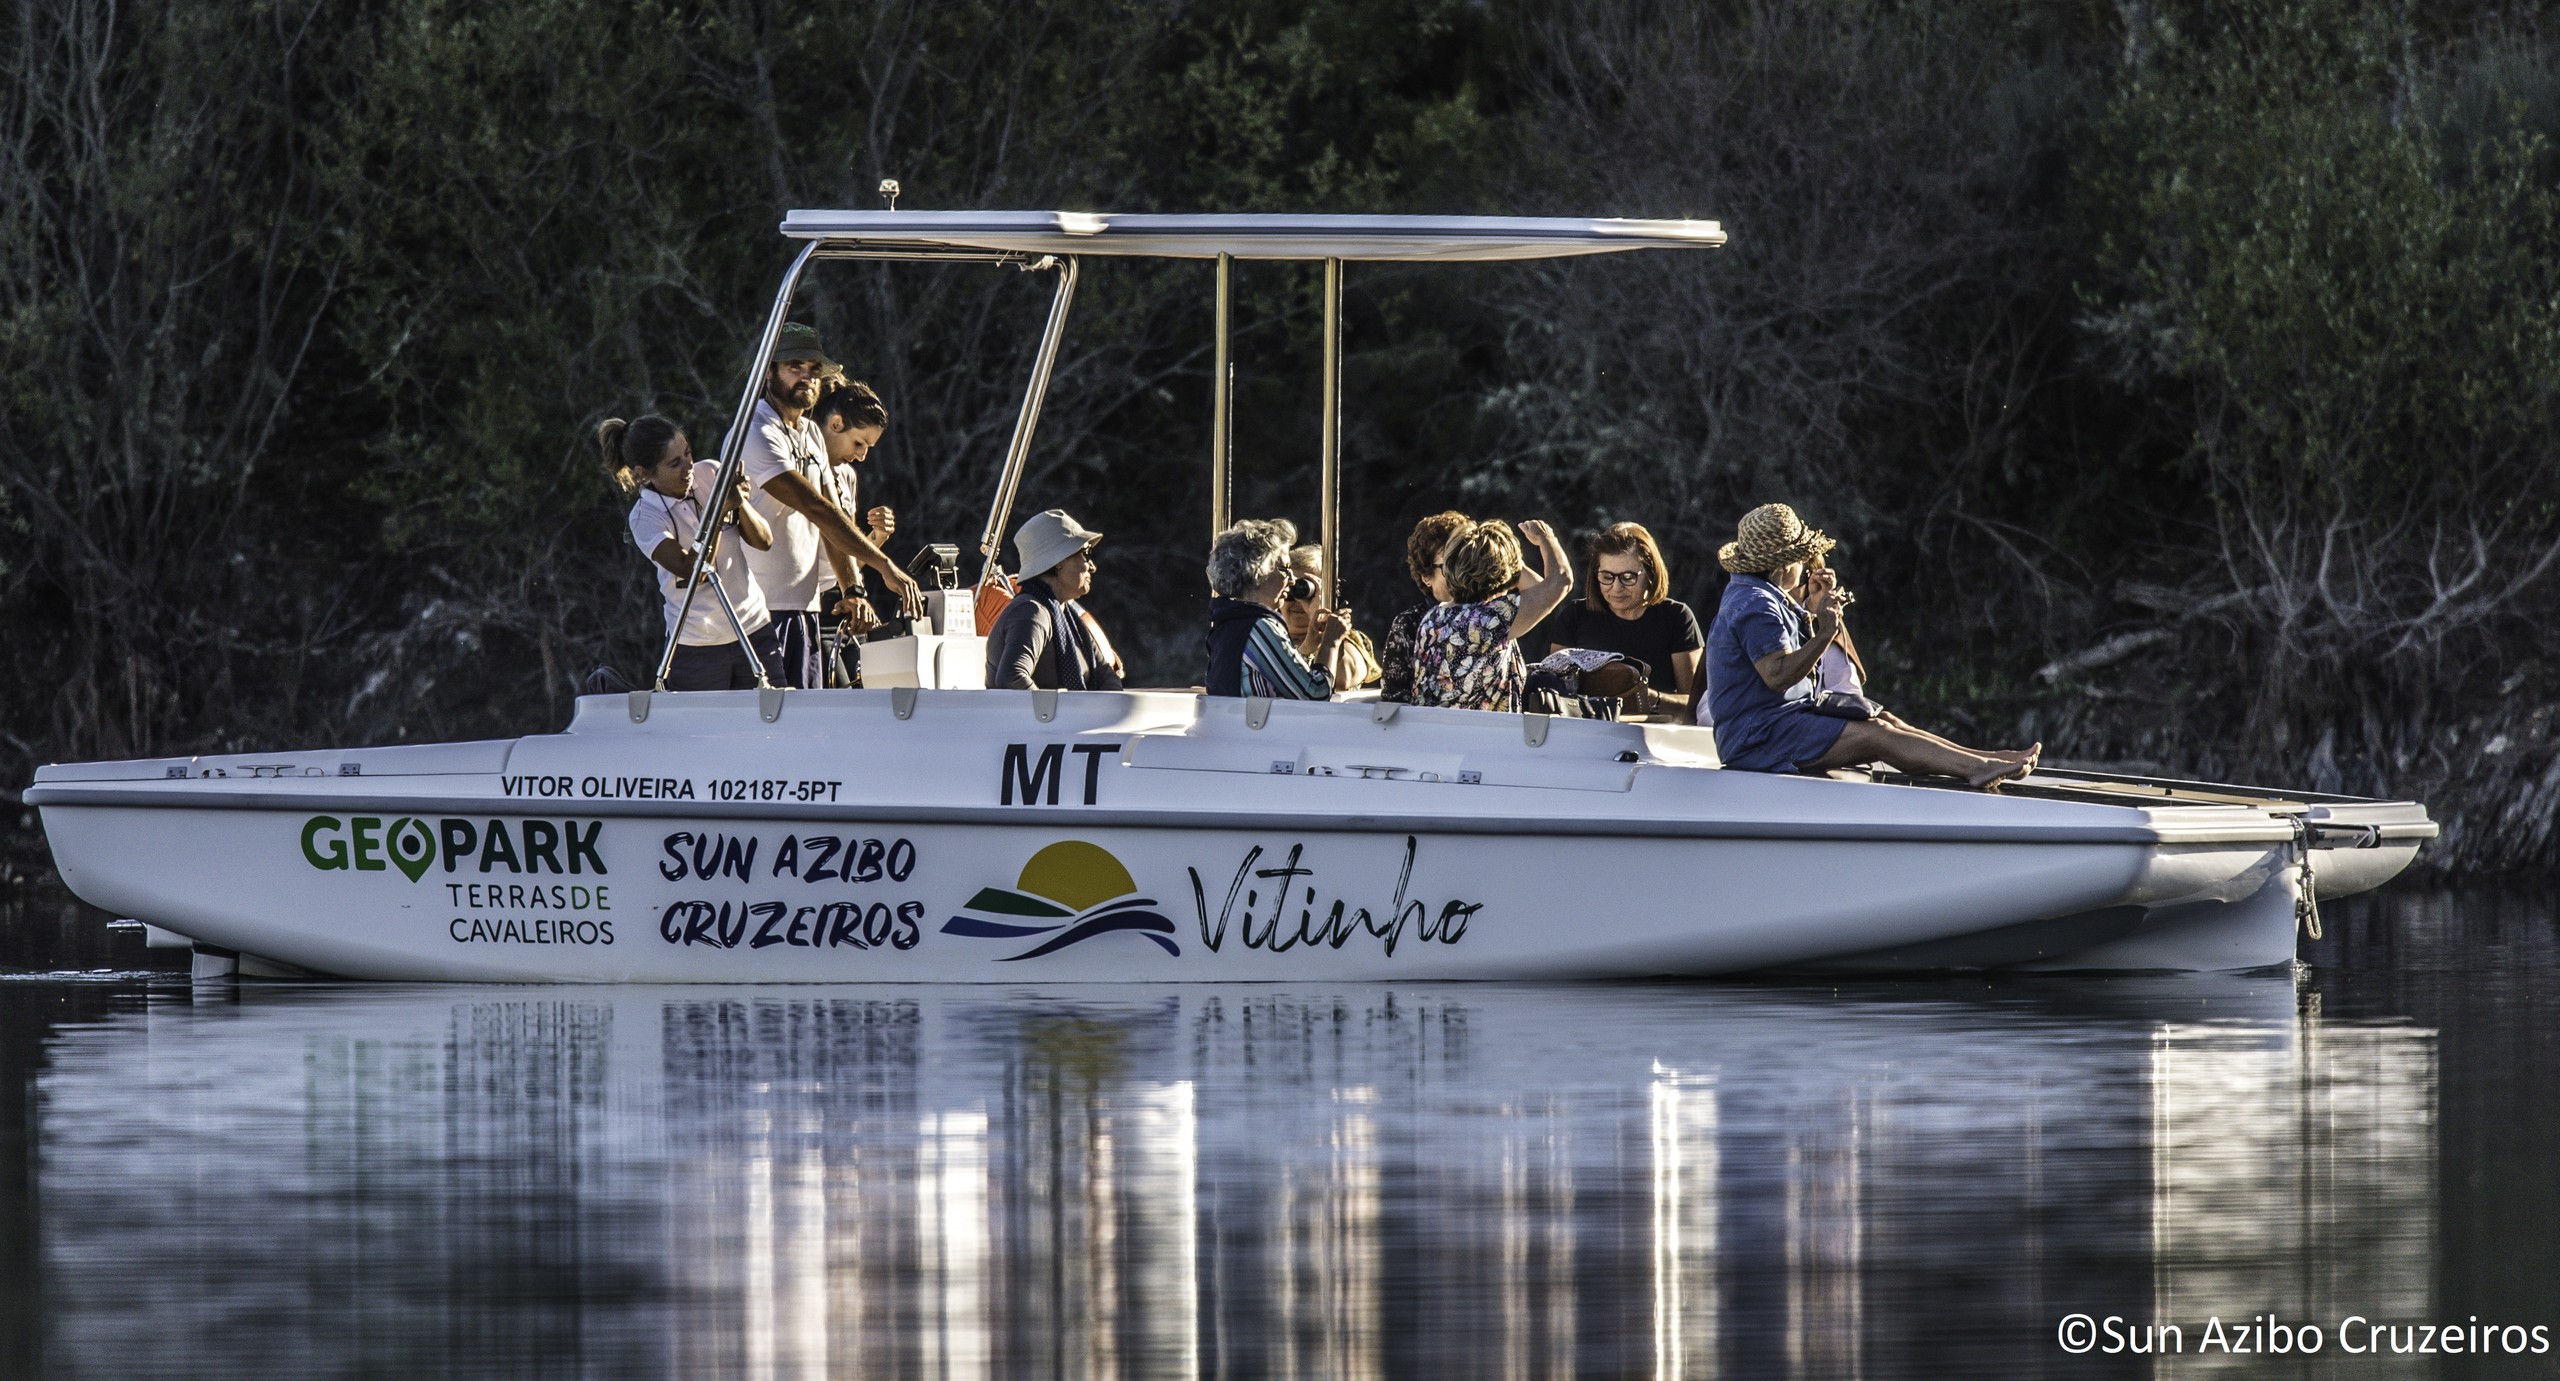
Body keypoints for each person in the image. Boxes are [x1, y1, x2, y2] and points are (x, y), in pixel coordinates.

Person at [1705, 503, 2037, 785]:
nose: (1806, 567)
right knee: (1875, 735)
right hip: (1758, 739)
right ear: (1783, 565)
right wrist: (1825, 632)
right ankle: (1978, 769)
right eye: (1802, 559)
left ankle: (1985, 759)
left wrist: (1812, 611)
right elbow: (1777, 676)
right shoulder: (1756, 605)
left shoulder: (1758, 595)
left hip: (1775, 725)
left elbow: (1783, 661)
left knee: (1885, 721)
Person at [737, 323, 922, 688]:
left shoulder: (810, 433)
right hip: (758, 610)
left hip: (805, 609)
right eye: (794, 367)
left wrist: (853, 590)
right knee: (768, 717)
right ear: (769, 372)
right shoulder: (756, 430)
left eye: (814, 369)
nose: (807, 377)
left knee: (806, 718)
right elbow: (816, 508)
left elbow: (832, 523)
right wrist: (884, 565)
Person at [601, 414, 784, 691]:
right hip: (697, 647)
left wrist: (740, 504)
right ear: (643, 473)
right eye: (675, 463)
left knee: (773, 714)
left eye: (688, 453)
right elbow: (693, 570)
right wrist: (719, 513)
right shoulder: (644, 517)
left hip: (754, 629)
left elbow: (764, 540)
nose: (689, 466)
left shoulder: (710, 472)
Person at [1540, 521, 1703, 720]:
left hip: (1652, 733)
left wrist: (1648, 698)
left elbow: (1696, 704)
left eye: (1628, 577)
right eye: (1607, 576)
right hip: (1586, 731)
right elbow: (1554, 692)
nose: (1616, 588)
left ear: (1651, 572)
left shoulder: (1676, 617)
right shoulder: (1575, 616)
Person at [1413, 518, 1573, 712]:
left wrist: (1498, 558)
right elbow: (1560, 582)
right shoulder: (1492, 618)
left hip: (1434, 728)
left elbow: (1541, 592)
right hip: (1483, 730)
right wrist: (1547, 538)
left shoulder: (1433, 618)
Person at [809, 374, 896, 684]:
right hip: (810, 603)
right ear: (835, 424)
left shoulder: (846, 476)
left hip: (844, 599)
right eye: (859, 443)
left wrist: (876, 539)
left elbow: (846, 555)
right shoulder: (801, 468)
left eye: (869, 447)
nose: (862, 455)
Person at [1205, 520, 1349, 699]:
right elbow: (1316, 693)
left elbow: (1282, 681)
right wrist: (1330, 642)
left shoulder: (1228, 623)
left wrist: (1310, 645)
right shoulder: (1260, 627)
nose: (1292, 581)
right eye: (1284, 569)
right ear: (1257, 570)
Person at [986, 510, 1124, 691]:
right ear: (1059, 561)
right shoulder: (1030, 612)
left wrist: (1111, 702)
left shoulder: (1066, 614)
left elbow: (1105, 674)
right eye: (1085, 553)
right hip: (1040, 713)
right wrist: (1059, 709)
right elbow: (1012, 678)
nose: (1092, 567)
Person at [1378, 510, 1470, 704]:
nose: (1459, 572)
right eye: (1449, 565)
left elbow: (1540, 595)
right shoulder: (1409, 624)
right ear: (1426, 576)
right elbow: (1394, 700)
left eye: (1464, 561)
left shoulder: (1490, 615)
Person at [1280, 546, 1380, 689]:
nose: (1298, 601)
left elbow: (1343, 678)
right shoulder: (1268, 635)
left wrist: (1323, 626)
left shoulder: (1347, 639)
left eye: (1306, 592)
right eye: (1290, 590)